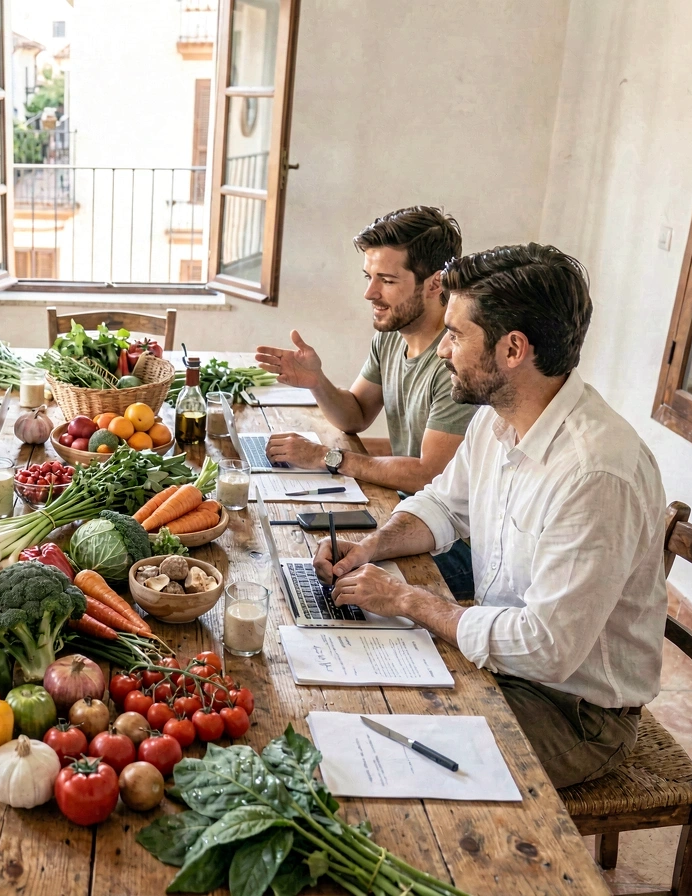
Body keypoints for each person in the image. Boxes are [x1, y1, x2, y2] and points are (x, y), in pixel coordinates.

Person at [313, 243, 668, 789]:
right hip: (511, 666)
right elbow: (442, 505)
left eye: (456, 336)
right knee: (354, 687)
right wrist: (370, 546)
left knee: (377, 756)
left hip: (573, 713)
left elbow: (546, 649)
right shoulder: (497, 418)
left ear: (513, 349)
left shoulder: (594, 474)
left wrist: (409, 600)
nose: (442, 351)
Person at [254, 206, 477, 597]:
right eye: (369, 277)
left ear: (435, 283)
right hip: (406, 510)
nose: (370, 293)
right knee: (289, 547)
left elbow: (429, 474)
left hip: (457, 542)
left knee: (322, 574)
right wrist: (317, 382)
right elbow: (355, 415)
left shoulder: (455, 361)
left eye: (386, 280)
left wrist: (327, 457)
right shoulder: (392, 335)